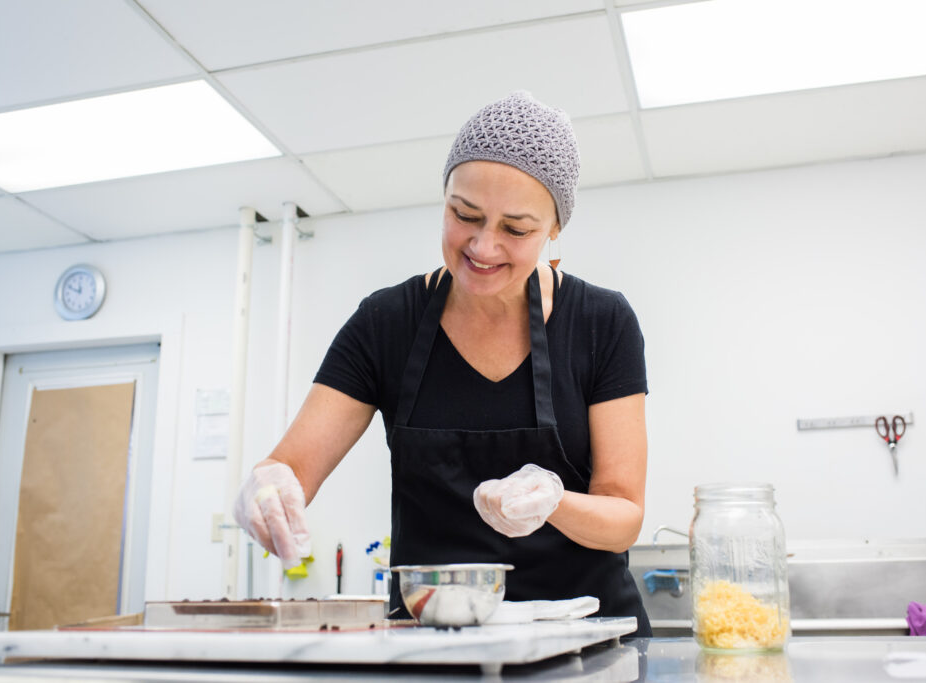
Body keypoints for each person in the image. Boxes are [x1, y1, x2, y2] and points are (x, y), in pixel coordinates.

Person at [234, 91, 651, 634]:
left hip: (585, 638)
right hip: (434, 642)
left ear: (554, 230)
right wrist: (266, 488)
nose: (482, 245)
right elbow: (290, 468)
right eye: (464, 214)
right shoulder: (386, 323)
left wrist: (553, 502)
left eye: (516, 228)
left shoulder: (602, 321)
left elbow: (623, 517)